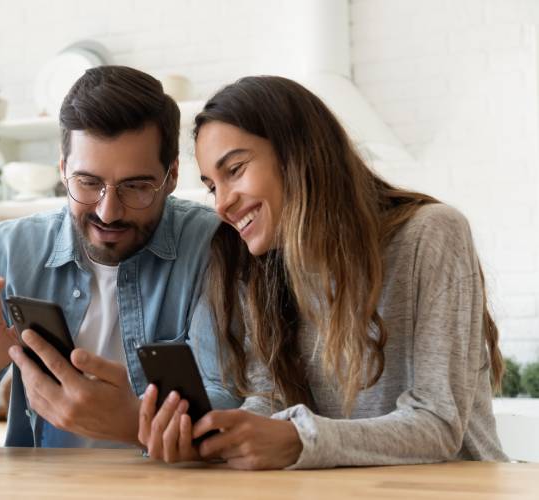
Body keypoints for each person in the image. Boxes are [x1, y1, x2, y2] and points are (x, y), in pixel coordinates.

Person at [138, 75, 508, 469]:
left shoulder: (431, 234)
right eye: (213, 186)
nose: (223, 205)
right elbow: (271, 399)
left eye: (236, 169)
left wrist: (299, 439)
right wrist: (223, 435)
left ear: (298, 153)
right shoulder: (263, 268)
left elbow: (438, 424)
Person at [0, 66, 240, 449]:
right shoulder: (10, 252)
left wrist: (133, 421)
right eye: (88, 183)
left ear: (171, 176)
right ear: (62, 169)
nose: (108, 212)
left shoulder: (213, 246)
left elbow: (230, 407)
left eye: (136, 187)